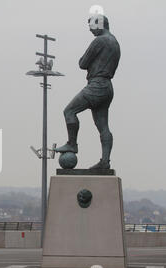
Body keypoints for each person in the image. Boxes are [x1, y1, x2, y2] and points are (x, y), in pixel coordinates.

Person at [55, 14, 120, 169]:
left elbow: (82, 63)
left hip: (96, 85)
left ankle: (72, 144)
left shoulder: (100, 40)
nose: (90, 30)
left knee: (69, 111)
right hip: (108, 87)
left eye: (91, 26)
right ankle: (105, 162)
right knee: (103, 127)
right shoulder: (115, 42)